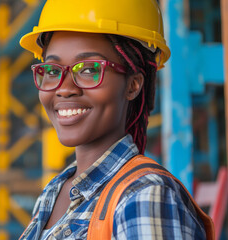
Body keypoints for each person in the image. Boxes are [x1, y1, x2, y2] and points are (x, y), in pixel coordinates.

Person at [18, 0, 214, 239]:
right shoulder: (54, 193)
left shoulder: (143, 197)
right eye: (51, 71)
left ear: (133, 85)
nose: (64, 88)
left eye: (89, 69)